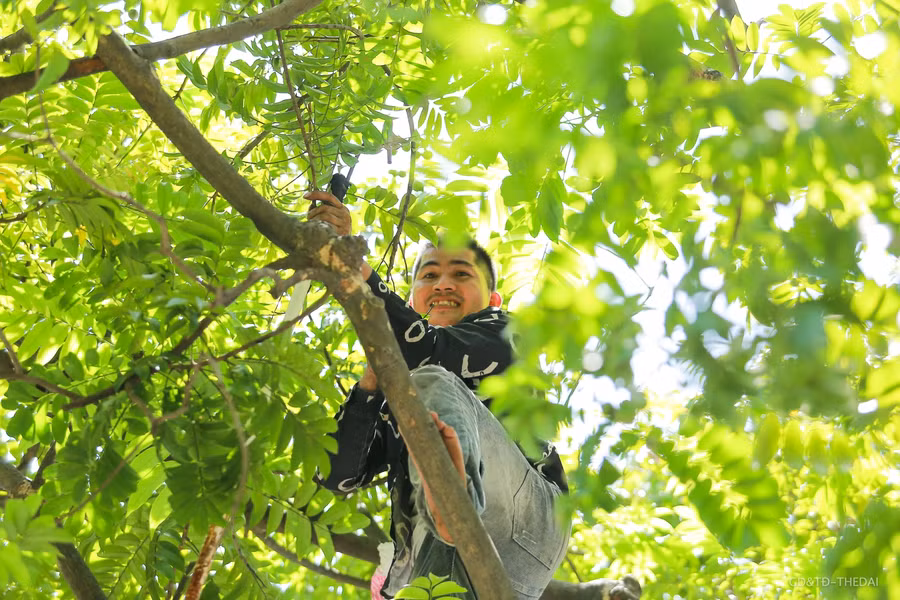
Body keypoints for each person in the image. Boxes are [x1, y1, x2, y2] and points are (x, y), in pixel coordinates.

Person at [307, 190, 570, 600]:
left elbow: (431, 349)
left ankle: (454, 503)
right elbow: (336, 476)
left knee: (430, 379)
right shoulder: (408, 383)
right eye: (429, 276)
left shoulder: (505, 331)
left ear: (493, 298)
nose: (443, 284)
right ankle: (447, 511)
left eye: (461, 274)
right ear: (412, 300)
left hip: (527, 525)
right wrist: (369, 388)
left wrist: (352, 263)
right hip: (438, 557)